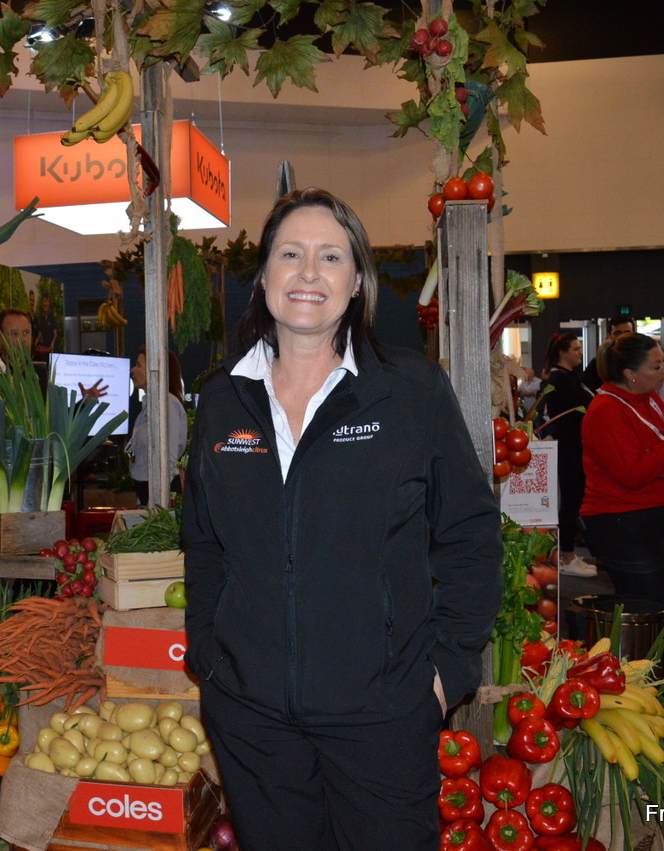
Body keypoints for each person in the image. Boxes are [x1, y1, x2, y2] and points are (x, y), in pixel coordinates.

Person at [181, 189, 502, 850]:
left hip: (382, 715)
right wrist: (211, 657)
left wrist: (446, 671)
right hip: (252, 721)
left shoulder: (409, 391)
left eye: (330, 256)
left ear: (357, 282)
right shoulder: (222, 399)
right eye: (290, 254)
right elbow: (205, 543)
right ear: (264, 275)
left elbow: (470, 533)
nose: (308, 272)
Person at [580, 332, 664, 699]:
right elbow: (632, 473)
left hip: (654, 520)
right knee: (653, 618)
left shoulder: (651, 401)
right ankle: (658, 704)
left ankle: (662, 704)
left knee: (663, 614)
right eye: (657, 366)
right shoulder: (606, 409)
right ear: (630, 373)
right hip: (623, 525)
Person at [538, 333, 597, 576]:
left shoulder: (569, 378)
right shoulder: (560, 380)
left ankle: (568, 552)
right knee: (572, 500)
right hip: (570, 447)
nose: (579, 353)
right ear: (562, 353)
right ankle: (566, 554)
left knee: (575, 499)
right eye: (575, 349)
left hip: (576, 446)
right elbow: (574, 413)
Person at [127, 347, 187, 506]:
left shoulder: (167, 404)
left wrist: (160, 500)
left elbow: (169, 456)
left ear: (156, 369)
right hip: (147, 490)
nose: (133, 370)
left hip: (160, 491)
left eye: (138, 365)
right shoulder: (150, 404)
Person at [582, 316, 636, 393]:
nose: (622, 337)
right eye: (617, 333)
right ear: (609, 335)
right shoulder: (599, 363)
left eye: (627, 333)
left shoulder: (642, 360)